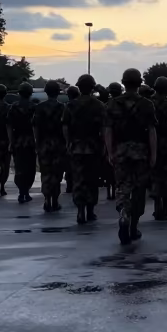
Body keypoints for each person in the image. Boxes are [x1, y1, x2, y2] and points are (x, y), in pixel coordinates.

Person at [105, 68, 158, 245]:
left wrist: (110, 151)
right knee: (139, 190)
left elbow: (108, 130)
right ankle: (133, 227)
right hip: (141, 151)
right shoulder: (146, 104)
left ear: (123, 82)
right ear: (139, 83)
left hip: (120, 150)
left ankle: (123, 213)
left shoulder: (112, 104)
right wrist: (153, 154)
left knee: (122, 186)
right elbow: (151, 131)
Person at [62, 73, 106, 224]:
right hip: (93, 147)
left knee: (78, 179)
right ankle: (90, 211)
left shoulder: (70, 105)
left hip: (76, 147)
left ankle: (80, 211)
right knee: (92, 179)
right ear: (93, 87)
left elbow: (66, 127)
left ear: (79, 87)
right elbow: (104, 128)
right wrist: (104, 145)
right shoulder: (99, 105)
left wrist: (68, 143)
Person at [33, 80, 66, 212]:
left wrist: (37, 142)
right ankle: (55, 200)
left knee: (46, 173)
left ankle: (47, 199)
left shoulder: (39, 108)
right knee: (57, 173)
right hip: (58, 144)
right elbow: (65, 128)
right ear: (58, 92)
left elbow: (35, 127)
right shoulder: (62, 107)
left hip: (44, 144)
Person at [150, 76, 167, 219]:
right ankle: (166, 205)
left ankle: (157, 205)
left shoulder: (149, 103)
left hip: (152, 143)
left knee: (155, 175)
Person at [7, 82, 36, 204]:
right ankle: (26, 191)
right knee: (30, 167)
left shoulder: (14, 107)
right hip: (30, 141)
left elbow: (9, 125)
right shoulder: (34, 107)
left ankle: (21, 191)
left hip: (18, 140)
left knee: (19, 167)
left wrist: (11, 141)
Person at [63, 86, 79, 194]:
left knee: (69, 164)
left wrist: (67, 141)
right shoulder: (89, 105)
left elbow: (65, 126)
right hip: (87, 142)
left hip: (72, 141)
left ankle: (70, 185)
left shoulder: (67, 107)